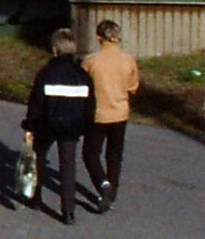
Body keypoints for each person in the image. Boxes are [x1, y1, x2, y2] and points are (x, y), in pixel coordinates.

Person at [22, 26, 94, 224]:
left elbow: (36, 103)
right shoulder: (83, 76)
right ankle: (68, 210)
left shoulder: (46, 73)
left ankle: (35, 198)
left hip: (47, 125)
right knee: (68, 166)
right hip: (72, 127)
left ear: (55, 49)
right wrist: (85, 127)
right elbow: (90, 106)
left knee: (38, 157)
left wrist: (30, 126)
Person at [81, 20, 140, 213]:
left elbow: (82, 87)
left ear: (99, 38)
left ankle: (102, 184)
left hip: (98, 114)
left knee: (90, 153)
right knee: (114, 155)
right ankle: (111, 192)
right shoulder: (128, 59)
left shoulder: (91, 61)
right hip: (120, 112)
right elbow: (133, 86)